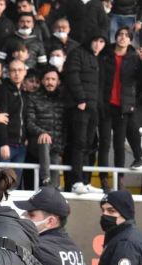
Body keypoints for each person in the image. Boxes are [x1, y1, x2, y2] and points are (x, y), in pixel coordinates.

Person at [97, 26, 142, 192]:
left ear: (130, 40)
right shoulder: (105, 54)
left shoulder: (135, 58)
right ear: (115, 37)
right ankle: (103, 179)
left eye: (126, 35)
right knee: (104, 144)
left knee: (119, 145)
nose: (123, 37)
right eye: (120, 34)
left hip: (123, 107)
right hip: (106, 105)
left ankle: (119, 180)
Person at [62, 33, 106, 194]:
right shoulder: (77, 53)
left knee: (88, 145)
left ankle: (85, 181)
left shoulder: (97, 58)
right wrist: (80, 99)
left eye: (101, 41)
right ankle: (75, 181)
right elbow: (71, 75)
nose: (98, 44)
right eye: (95, 40)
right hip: (79, 107)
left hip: (92, 108)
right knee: (78, 143)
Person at [25, 66, 65, 187]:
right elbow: (29, 123)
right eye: (47, 79)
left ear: (58, 82)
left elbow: (64, 128)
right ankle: (45, 178)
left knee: (55, 161)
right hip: (37, 144)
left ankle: (53, 189)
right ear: (42, 81)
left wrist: (61, 150)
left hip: (55, 147)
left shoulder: (62, 100)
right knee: (45, 140)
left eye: (53, 79)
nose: (50, 82)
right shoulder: (33, 98)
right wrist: (42, 132)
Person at [0, 59, 27, 181]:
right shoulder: (3, 89)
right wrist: (3, 143)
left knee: (15, 183)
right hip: (6, 145)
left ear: (25, 72)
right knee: (2, 182)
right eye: (13, 70)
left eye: (20, 70)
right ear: (8, 73)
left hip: (21, 146)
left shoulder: (24, 92)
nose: (17, 73)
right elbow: (1, 118)